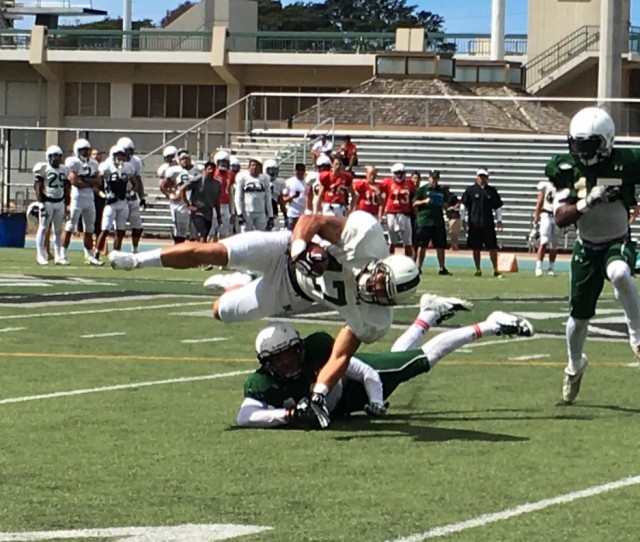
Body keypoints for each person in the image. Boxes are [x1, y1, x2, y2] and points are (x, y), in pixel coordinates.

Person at [109, 211, 421, 427]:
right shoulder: (366, 238)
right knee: (213, 252)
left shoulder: (374, 319)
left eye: (381, 292)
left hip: (293, 294)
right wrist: (301, 248)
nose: (373, 287)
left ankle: (238, 282)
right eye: (379, 278)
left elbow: (340, 354)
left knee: (221, 311)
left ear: (389, 301)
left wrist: (320, 392)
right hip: (283, 252)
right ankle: (137, 260)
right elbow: (311, 220)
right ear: (383, 264)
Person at [236, 300, 533, 428]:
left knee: (422, 360)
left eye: (290, 353)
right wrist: (287, 414)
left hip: (365, 386)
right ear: (266, 363)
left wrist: (376, 401)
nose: (287, 362)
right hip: (349, 403)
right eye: (279, 358)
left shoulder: (318, 352)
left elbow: (364, 371)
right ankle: (428, 315)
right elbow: (245, 416)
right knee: (400, 356)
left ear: (300, 348)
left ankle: (490, 325)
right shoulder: (262, 382)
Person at [546, 106, 640, 405]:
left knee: (620, 273)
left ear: (607, 141)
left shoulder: (628, 161)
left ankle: (637, 334)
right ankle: (574, 366)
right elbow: (560, 218)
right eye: (577, 145)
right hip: (586, 248)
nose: (581, 152)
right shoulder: (566, 168)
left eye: (588, 146)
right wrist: (586, 202)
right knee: (578, 319)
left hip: (617, 240)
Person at [60, 138, 102, 265]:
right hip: (76, 198)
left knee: (89, 227)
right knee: (70, 226)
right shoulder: (73, 162)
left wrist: (84, 179)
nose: (86, 152)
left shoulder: (93, 163)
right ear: (77, 151)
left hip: (89, 198)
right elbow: (75, 182)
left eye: (87, 150)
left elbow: (98, 181)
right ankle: (62, 254)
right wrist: (89, 181)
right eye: (83, 150)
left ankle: (89, 255)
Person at [95, 145, 136, 259]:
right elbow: (96, 183)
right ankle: (96, 254)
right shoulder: (106, 166)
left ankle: (116, 254)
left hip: (123, 203)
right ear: (113, 155)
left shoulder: (128, 167)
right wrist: (103, 194)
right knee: (105, 230)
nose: (120, 157)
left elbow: (134, 182)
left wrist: (131, 192)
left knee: (120, 231)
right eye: (118, 155)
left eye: (122, 155)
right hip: (111, 204)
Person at [461, 168, 504, 277]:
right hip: (474, 224)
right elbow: (463, 205)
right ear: (477, 177)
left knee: (492, 247)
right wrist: (463, 219)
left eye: (484, 176)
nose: (482, 178)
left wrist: (499, 220)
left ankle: (495, 269)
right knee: (476, 248)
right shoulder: (470, 190)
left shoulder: (491, 191)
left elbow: (498, 206)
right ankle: (478, 269)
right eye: (480, 176)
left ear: (487, 177)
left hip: (488, 223)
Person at [32, 145, 69, 265]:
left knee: (58, 230)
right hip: (47, 202)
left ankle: (58, 256)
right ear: (48, 157)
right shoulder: (43, 168)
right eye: (54, 156)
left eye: (58, 156)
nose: (57, 159)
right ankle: (40, 254)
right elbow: (38, 186)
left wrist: (66, 204)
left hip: (59, 202)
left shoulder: (64, 169)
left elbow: (66, 187)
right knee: (43, 228)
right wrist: (40, 202)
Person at [413, 169, 451, 275]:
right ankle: (418, 267)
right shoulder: (423, 190)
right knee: (422, 245)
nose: (434, 180)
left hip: (437, 220)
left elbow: (447, 205)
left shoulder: (441, 190)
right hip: (425, 220)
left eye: (436, 178)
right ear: (428, 178)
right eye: (432, 177)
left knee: (440, 246)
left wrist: (443, 204)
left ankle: (442, 267)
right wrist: (424, 201)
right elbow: (414, 203)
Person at [161, 150, 203, 243]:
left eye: (186, 158)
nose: (184, 161)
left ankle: (193, 255)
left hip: (194, 203)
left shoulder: (198, 170)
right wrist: (170, 195)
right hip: (180, 205)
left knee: (195, 232)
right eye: (182, 159)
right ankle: (178, 253)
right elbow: (163, 186)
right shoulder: (174, 171)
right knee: (181, 232)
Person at [379, 163, 416, 258]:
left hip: (405, 214)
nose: (399, 175)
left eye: (401, 173)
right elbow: (381, 197)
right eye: (397, 173)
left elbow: (413, 198)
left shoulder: (409, 183)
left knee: (408, 241)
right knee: (391, 241)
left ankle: (410, 262)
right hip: (391, 213)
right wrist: (381, 214)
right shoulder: (387, 182)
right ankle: (389, 260)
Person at [179, 161, 221, 242]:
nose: (211, 171)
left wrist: (219, 215)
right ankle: (201, 253)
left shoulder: (217, 184)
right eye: (209, 169)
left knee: (204, 236)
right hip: (198, 211)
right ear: (205, 170)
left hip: (209, 212)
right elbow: (182, 188)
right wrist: (188, 205)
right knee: (202, 233)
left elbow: (217, 200)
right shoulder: (198, 179)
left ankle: (198, 251)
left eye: (213, 169)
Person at [117, 137, 145, 254]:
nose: (129, 153)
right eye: (127, 150)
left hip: (132, 197)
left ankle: (135, 249)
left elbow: (138, 179)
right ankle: (117, 250)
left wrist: (142, 197)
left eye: (131, 150)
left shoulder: (136, 161)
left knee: (137, 226)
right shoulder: (112, 161)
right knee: (120, 228)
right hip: (118, 198)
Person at [234, 157, 273, 232]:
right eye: (252, 165)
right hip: (247, 212)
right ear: (249, 167)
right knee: (246, 235)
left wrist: (270, 215)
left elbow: (268, 198)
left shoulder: (265, 179)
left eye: (257, 165)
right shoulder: (243, 178)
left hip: (261, 212)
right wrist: (239, 213)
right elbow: (238, 197)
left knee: (261, 236)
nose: (254, 167)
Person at [533, 178, 560, 276]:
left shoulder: (562, 187)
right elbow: (540, 200)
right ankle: (538, 266)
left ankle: (551, 268)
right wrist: (537, 214)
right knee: (544, 241)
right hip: (546, 214)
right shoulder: (545, 186)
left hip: (558, 216)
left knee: (554, 244)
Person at [282, 163, 308, 231]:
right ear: (295, 171)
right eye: (298, 170)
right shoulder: (289, 182)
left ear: (304, 171)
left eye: (301, 170)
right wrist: (292, 197)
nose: (299, 172)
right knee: (290, 233)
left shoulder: (307, 183)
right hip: (292, 213)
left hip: (303, 213)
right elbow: (283, 199)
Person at [445, 185, 462, 251]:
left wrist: (453, 207)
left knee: (453, 232)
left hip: (454, 216)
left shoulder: (452, 196)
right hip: (449, 216)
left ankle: (454, 246)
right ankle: (453, 245)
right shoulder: (444, 197)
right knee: (451, 232)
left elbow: (459, 203)